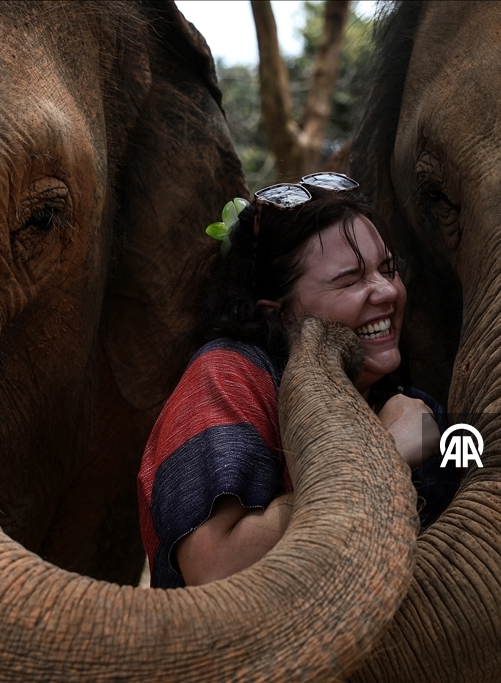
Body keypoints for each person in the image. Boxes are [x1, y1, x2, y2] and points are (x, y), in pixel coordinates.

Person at [137, 173, 461, 588]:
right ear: (277, 312)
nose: (386, 292)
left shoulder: (408, 406)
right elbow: (213, 568)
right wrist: (384, 454)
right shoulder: (227, 376)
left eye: (388, 269)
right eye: (351, 279)